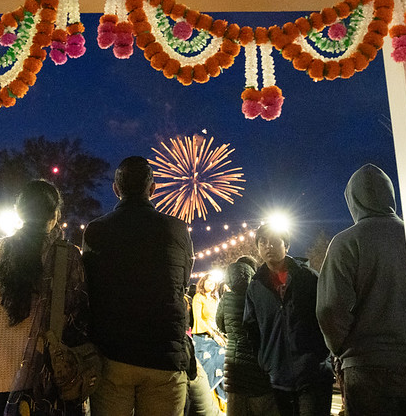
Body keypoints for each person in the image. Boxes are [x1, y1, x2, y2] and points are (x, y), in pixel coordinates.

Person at [0, 179, 89, 415]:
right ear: (54, 215)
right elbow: (77, 319)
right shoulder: (67, 257)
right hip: (39, 387)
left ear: (19, 212)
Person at [82, 156, 194, 416]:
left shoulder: (97, 230)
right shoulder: (177, 229)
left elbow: (88, 284)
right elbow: (183, 282)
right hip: (164, 354)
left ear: (115, 189)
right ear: (153, 188)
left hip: (113, 353)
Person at [316, 164, 406, 416]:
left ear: (352, 200)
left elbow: (329, 308)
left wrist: (341, 349)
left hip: (366, 367)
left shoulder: (346, 243)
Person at [243, 224, 333, 416]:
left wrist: (321, 355)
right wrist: (265, 360)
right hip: (277, 377)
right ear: (258, 247)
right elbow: (251, 328)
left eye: (275, 241)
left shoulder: (308, 278)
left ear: (287, 245)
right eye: (263, 242)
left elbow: (328, 317)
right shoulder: (255, 287)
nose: (268, 246)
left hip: (312, 374)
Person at [216, 256, 279, 416]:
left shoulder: (225, 299)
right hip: (257, 364)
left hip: (234, 367)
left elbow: (220, 325)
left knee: (237, 408)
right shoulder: (260, 295)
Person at [192, 273, 227, 405]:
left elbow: (217, 320)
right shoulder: (197, 298)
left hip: (215, 335)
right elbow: (199, 320)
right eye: (208, 282)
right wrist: (213, 334)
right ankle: (208, 401)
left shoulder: (214, 299)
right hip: (202, 337)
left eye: (213, 283)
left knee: (225, 359)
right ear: (203, 283)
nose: (211, 284)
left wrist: (219, 335)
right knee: (211, 364)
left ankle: (222, 402)